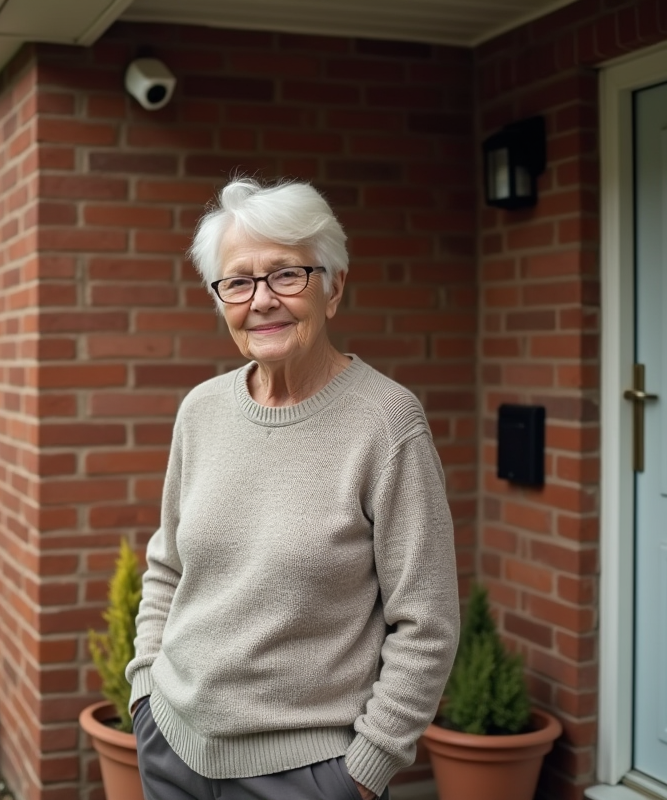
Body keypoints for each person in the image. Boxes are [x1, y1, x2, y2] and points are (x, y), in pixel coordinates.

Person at [126, 177, 459, 800]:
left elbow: (427, 622)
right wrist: (146, 692)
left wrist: (361, 773)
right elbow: (167, 567)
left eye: (287, 275)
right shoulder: (200, 411)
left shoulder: (387, 423)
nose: (262, 301)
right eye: (239, 282)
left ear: (333, 288)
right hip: (171, 745)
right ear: (220, 299)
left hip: (307, 776)